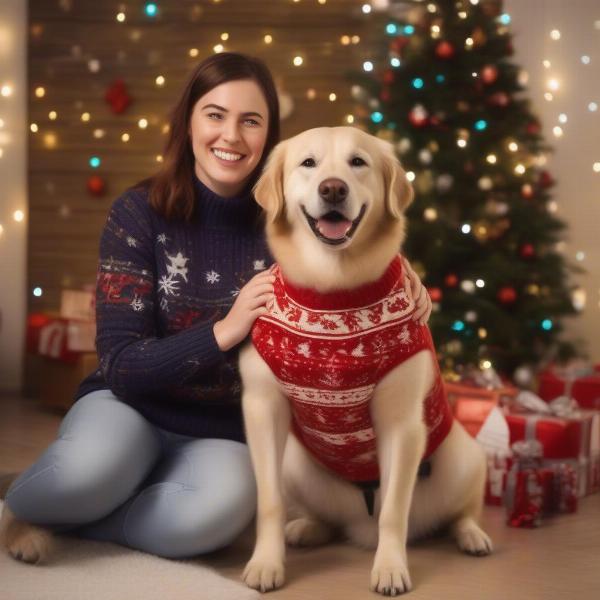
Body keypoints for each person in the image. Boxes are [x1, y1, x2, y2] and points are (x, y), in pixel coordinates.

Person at [4, 52, 432, 561]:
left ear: (268, 137)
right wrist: (222, 332)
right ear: (188, 122)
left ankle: (88, 520)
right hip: (127, 405)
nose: (231, 135)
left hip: (221, 433)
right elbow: (118, 363)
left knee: (207, 525)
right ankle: (23, 506)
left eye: (250, 121)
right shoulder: (137, 214)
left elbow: (360, 251)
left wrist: (404, 285)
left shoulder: (293, 217)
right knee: (85, 475)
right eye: (215, 115)